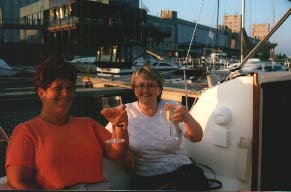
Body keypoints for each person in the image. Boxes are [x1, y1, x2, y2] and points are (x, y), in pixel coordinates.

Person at [5, 54, 129, 190]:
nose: (65, 94)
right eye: (58, 88)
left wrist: (119, 126)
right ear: (42, 92)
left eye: (69, 88)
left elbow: (116, 152)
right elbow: (17, 181)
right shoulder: (26, 132)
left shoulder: (88, 124)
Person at [105, 65, 208, 190]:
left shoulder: (172, 108)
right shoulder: (125, 111)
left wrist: (187, 118)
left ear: (159, 90)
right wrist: (125, 151)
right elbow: (106, 139)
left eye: (151, 85)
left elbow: (197, 137)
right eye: (141, 85)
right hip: (148, 175)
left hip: (181, 169)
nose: (146, 90)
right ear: (134, 89)